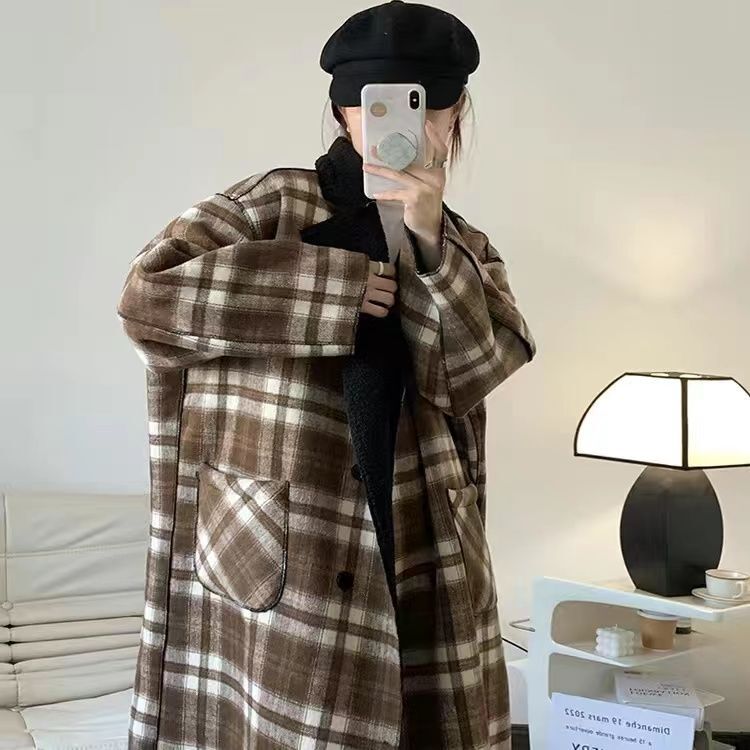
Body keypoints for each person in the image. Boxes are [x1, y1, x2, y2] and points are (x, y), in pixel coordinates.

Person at [116, 1, 536, 747]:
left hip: (422, 535)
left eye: (427, 104)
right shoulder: (264, 206)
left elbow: (471, 373)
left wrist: (428, 240)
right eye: (376, 103)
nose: (404, 124)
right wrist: (329, 291)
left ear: (455, 114)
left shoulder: (466, 246)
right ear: (343, 109)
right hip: (280, 539)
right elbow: (148, 299)